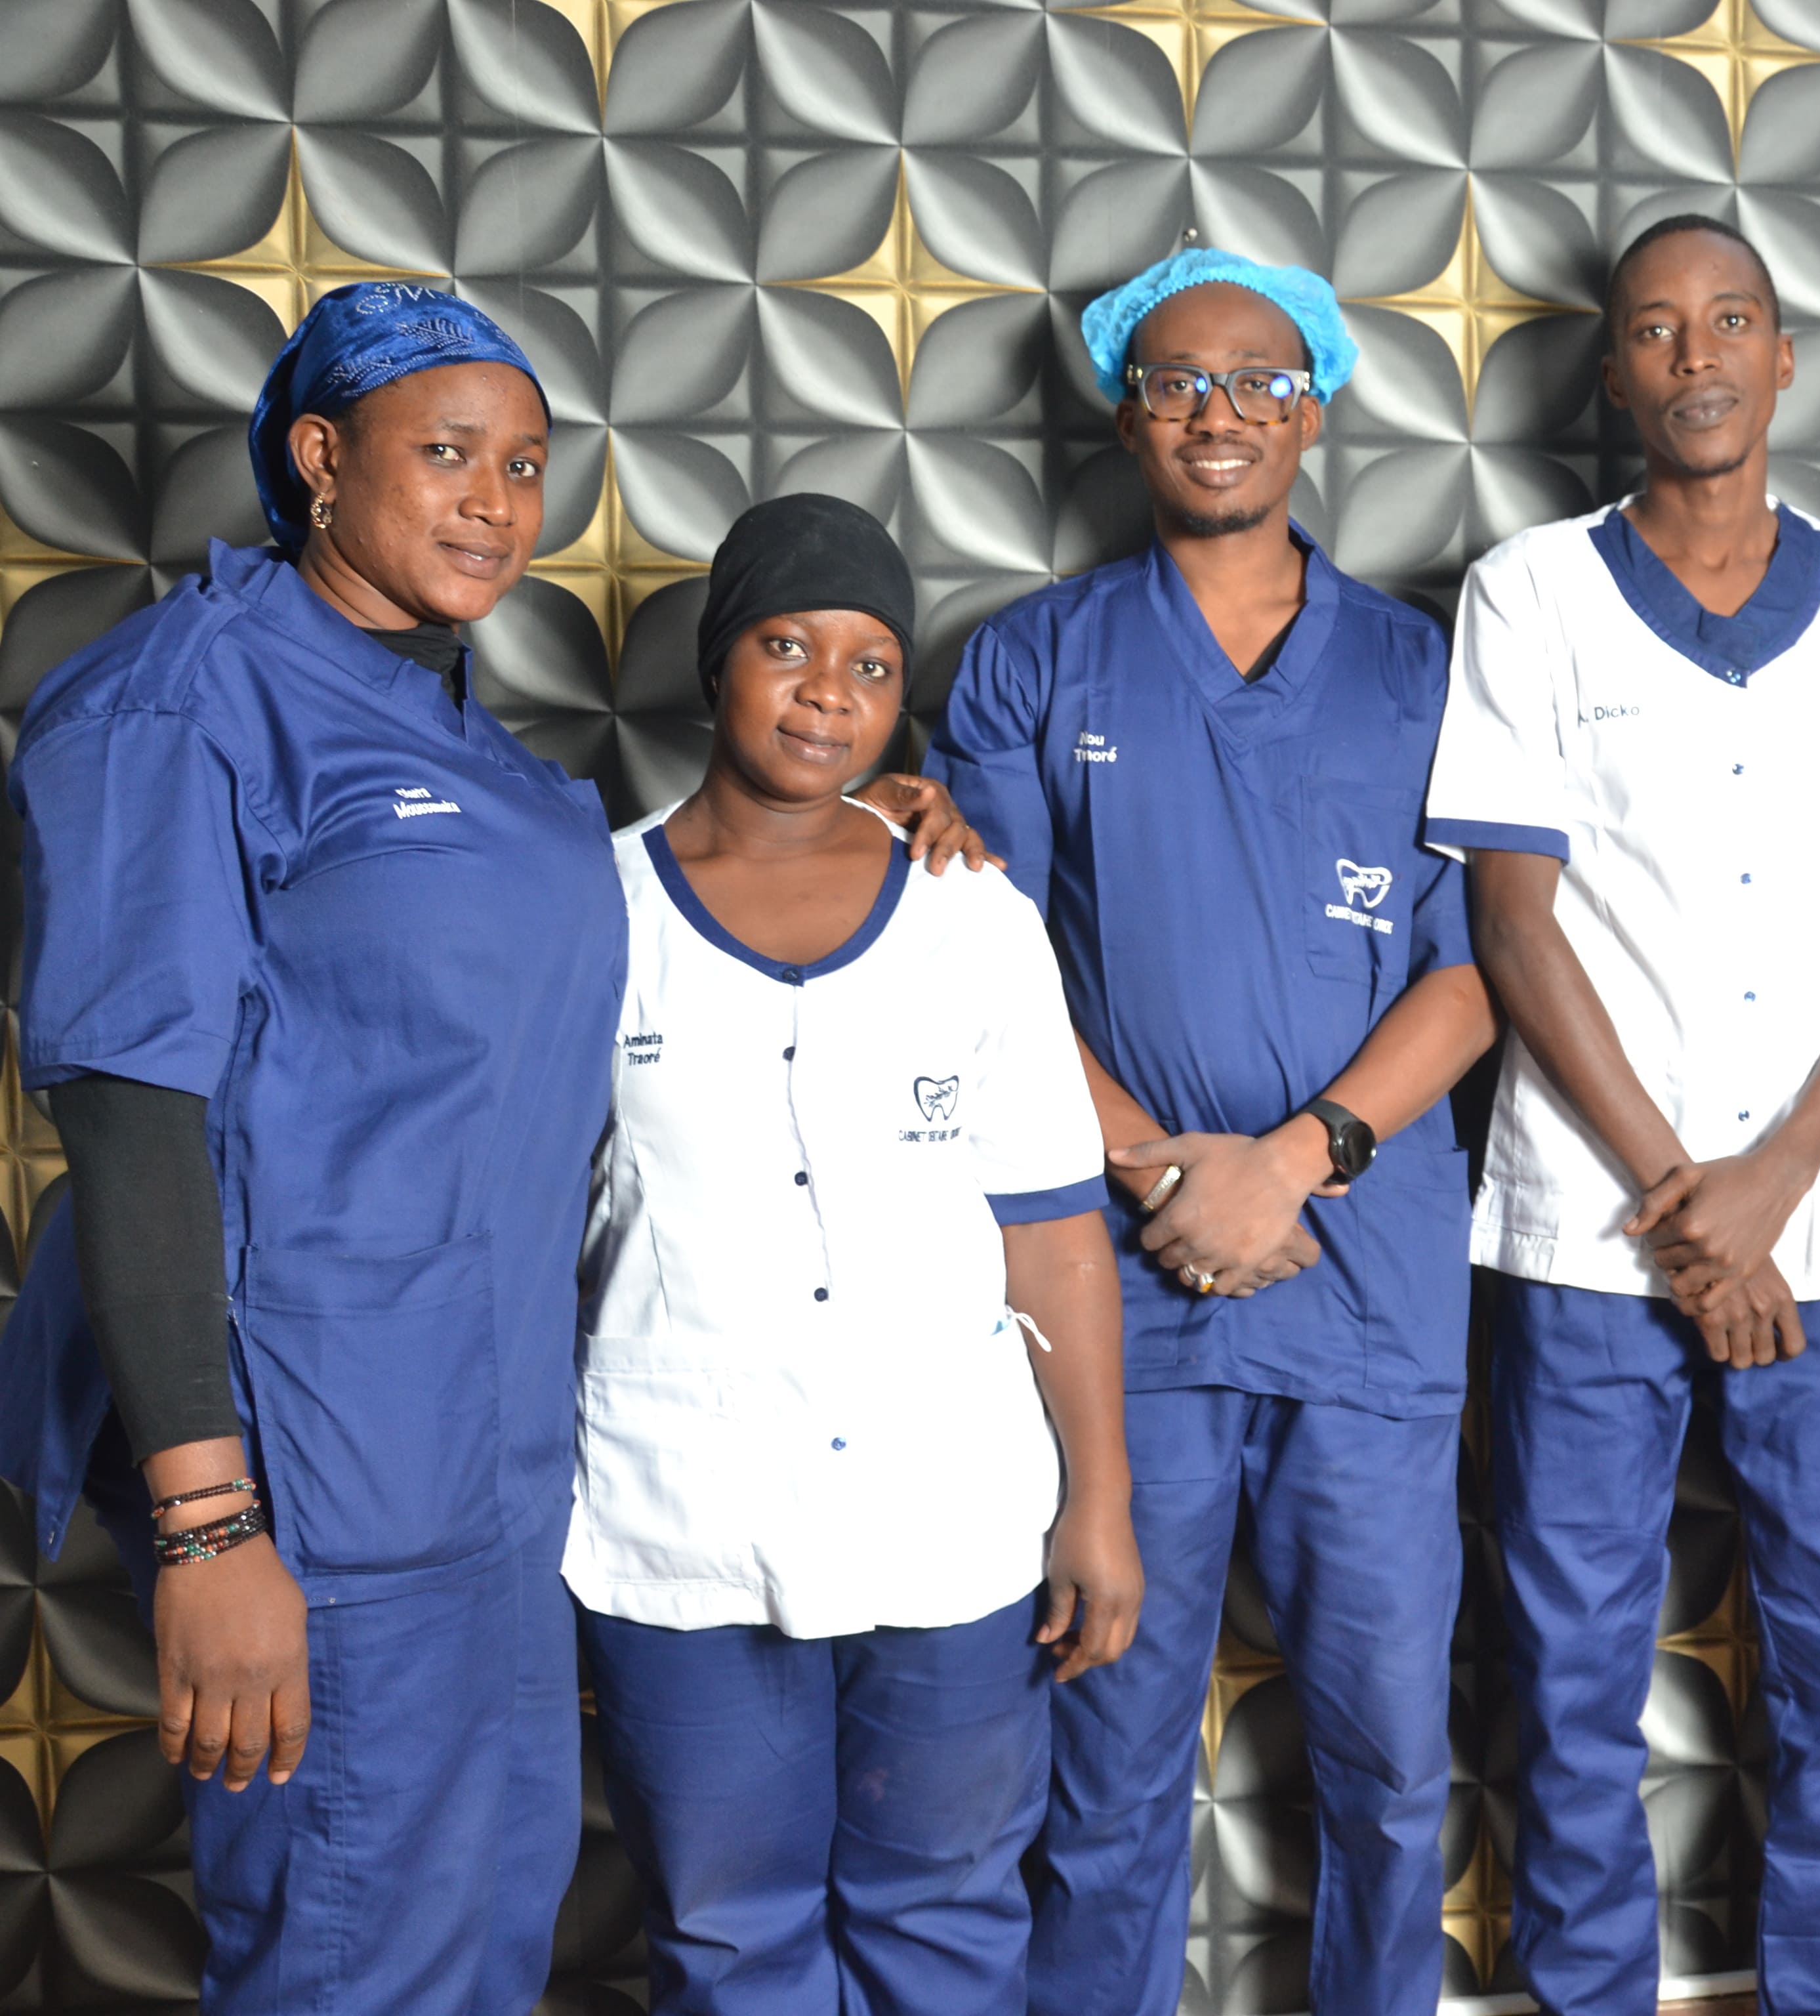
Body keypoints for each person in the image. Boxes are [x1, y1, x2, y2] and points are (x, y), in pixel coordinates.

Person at [0, 283, 983, 2016]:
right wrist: (211, 1529)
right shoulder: (181, 706)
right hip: (309, 1470)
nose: (495, 502)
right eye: (446, 453)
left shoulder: (473, 747)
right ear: (320, 457)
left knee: (483, 1937)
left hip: (501, 1469)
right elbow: (131, 1119)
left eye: (525, 466)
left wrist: (850, 819)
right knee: (349, 1943)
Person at [928, 249, 1495, 2016]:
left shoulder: (1423, 670)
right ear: (1127, 418)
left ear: (1315, 411)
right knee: (1104, 1771)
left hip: (1366, 1286)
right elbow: (988, 963)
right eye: (1177, 381)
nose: (1219, 411)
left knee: (1391, 1768)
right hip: (1125, 1297)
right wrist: (1170, 1172)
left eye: (1259, 379)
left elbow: (1481, 971)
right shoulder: (1034, 661)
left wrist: (1295, 1160)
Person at [1421, 213, 1820, 2016]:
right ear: (1615, 376)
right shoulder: (1531, 592)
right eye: (1655, 330)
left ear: (1786, 358)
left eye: (1731, 322)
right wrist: (1685, 1197)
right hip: (1588, 1225)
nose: (1696, 355)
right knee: (1572, 1671)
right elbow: (1513, 920)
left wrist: (1776, 1182)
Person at [564, 494, 1138, 2014]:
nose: (828, 691)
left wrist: (1099, 1501)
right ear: (716, 663)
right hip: (680, 1519)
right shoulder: (597, 909)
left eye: (872, 664)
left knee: (943, 1917)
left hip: (950, 1512)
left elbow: (1054, 1228)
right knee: (723, 1933)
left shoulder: (971, 914)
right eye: (788, 647)